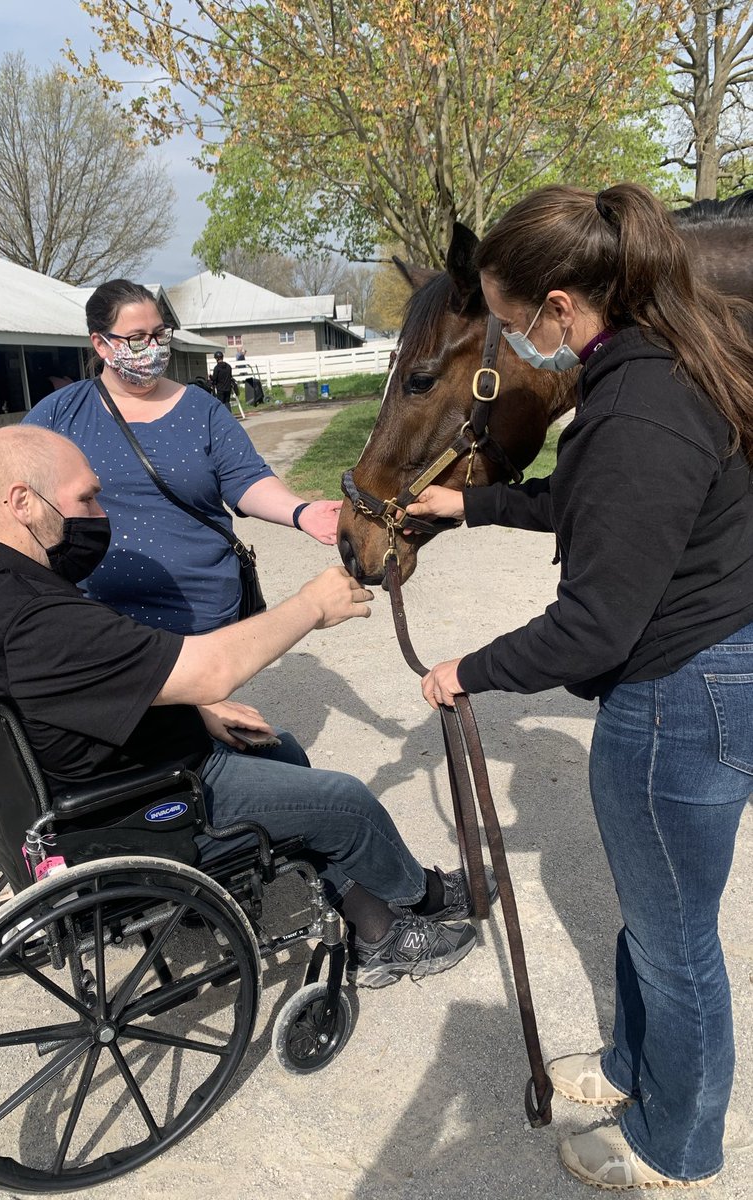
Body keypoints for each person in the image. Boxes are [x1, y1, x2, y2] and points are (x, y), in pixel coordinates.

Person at [404, 183, 753, 1189]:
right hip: (713, 674)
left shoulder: (637, 406)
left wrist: (470, 669)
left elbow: (594, 622)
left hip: (676, 706)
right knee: (661, 921)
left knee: (678, 943)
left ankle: (673, 1149)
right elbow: (610, 506)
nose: (517, 346)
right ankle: (628, 1066)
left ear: (562, 306)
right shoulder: (661, 364)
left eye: (513, 324)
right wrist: (474, 507)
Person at [0, 425, 493, 989]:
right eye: (86, 498)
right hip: (140, 804)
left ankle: (368, 916)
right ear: (21, 501)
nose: (98, 514)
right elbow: (208, 670)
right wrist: (309, 608)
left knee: (281, 749)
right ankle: (411, 899)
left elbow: (67, 692)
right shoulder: (37, 619)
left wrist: (197, 713)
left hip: (80, 783)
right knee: (346, 803)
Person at [23, 280, 340, 634]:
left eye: (160, 334)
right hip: (98, 621)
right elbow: (15, 495)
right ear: (101, 344)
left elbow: (246, 479)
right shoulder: (59, 414)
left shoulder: (201, 409)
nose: (154, 347)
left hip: (203, 617)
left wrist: (301, 512)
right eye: (138, 339)